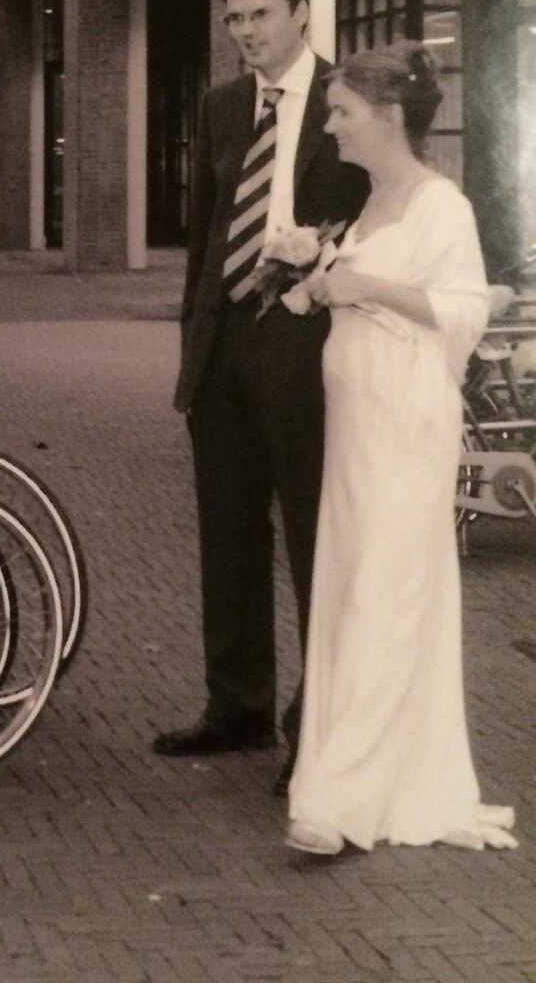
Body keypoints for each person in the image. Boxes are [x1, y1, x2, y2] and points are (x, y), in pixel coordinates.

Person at [285, 43, 516, 855]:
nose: (331, 125)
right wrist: (316, 274)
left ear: (388, 116)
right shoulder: (370, 200)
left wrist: (364, 287)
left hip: (403, 419)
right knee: (356, 586)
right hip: (357, 420)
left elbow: (463, 310)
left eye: (341, 111)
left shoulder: (439, 204)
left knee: (384, 589)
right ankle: (363, 776)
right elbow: (356, 291)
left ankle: (340, 802)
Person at [158, 0, 369, 796]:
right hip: (226, 351)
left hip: (309, 346)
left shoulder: (348, 101)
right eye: (234, 19)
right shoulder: (218, 107)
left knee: (316, 540)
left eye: (261, 16)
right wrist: (193, 351)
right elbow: (208, 238)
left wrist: (323, 264)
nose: (246, 33)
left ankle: (316, 728)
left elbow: (371, 216)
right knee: (229, 535)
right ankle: (237, 706)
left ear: (301, 12)